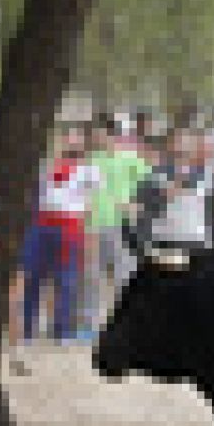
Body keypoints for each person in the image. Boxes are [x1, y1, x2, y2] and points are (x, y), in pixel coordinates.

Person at [22, 130, 99, 342]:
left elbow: (91, 203)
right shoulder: (45, 166)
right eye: (68, 136)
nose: (72, 140)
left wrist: (89, 231)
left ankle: (61, 329)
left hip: (69, 227)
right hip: (41, 224)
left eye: (77, 137)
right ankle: (28, 327)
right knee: (34, 276)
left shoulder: (89, 170)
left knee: (65, 280)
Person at [83, 116, 149, 331]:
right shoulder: (93, 159)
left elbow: (151, 183)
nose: (95, 137)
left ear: (110, 133)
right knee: (93, 273)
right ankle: (89, 324)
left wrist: (138, 203)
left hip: (121, 224)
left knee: (124, 274)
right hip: (94, 223)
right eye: (94, 134)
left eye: (99, 133)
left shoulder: (130, 159)